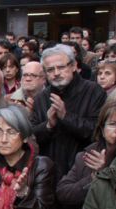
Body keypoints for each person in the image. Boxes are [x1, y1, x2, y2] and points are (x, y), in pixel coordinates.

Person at [31, 44, 106, 177]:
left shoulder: (93, 91)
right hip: (49, 173)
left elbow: (97, 132)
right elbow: (32, 137)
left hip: (83, 171)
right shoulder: (41, 98)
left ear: (73, 66)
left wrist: (66, 116)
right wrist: (48, 126)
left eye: (61, 67)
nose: (56, 73)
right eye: (50, 70)